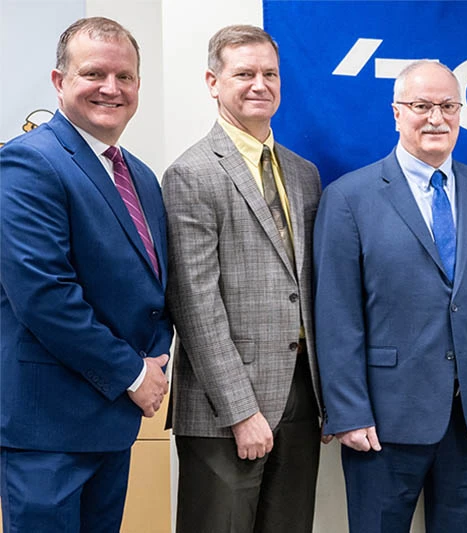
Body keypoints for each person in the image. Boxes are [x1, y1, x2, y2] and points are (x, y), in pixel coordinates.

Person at [313, 60, 467, 533]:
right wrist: (347, 412)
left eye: (448, 106)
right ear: (397, 113)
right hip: (381, 421)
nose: (436, 118)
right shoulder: (349, 197)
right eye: (421, 106)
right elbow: (336, 316)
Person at [0, 17, 171, 532]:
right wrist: (135, 374)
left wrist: (155, 360)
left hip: (111, 422)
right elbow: (45, 295)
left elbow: (151, 289)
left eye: (125, 76)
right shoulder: (28, 164)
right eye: (94, 73)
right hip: (47, 431)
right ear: (59, 82)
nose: (111, 88)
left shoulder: (140, 176)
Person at [162, 25, 324, 533]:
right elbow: (195, 305)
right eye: (244, 74)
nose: (260, 84)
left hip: (301, 394)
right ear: (213, 82)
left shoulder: (303, 173)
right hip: (224, 409)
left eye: (269, 74)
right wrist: (240, 411)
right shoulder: (191, 174)